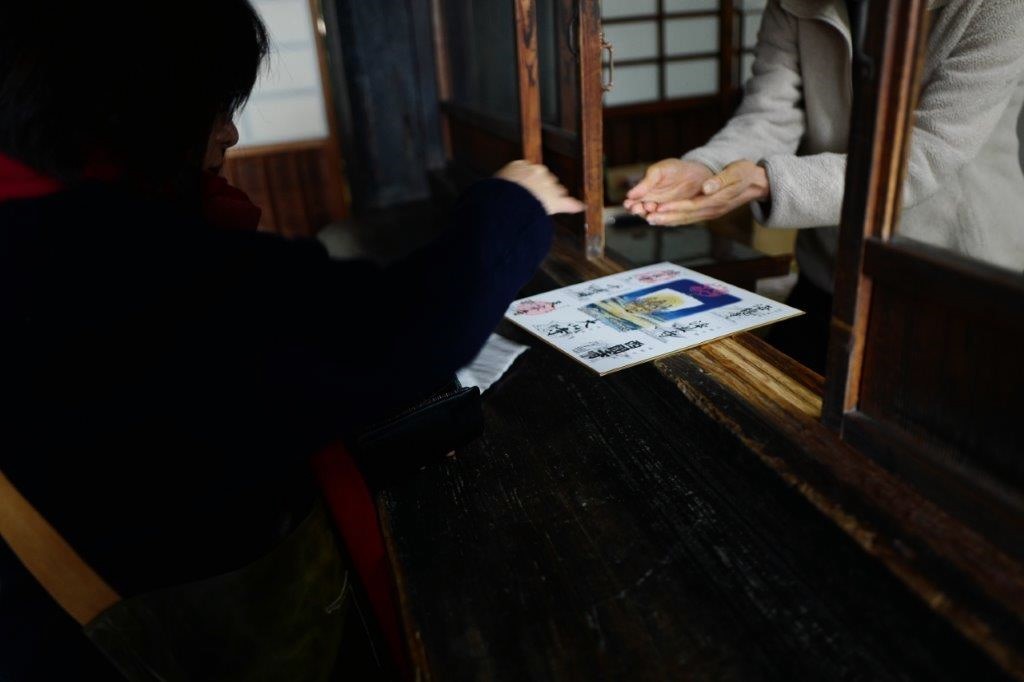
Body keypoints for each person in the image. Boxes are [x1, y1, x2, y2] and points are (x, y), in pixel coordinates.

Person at [0, 1, 583, 679]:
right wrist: (513, 200)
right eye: (212, 105)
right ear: (136, 107)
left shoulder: (39, 228)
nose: (231, 134)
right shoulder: (100, 258)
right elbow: (402, 327)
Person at [624, 0, 1024, 372]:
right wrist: (704, 168)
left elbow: (925, 154)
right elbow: (770, 115)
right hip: (833, 261)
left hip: (954, 271)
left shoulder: (994, 6)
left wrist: (767, 181)